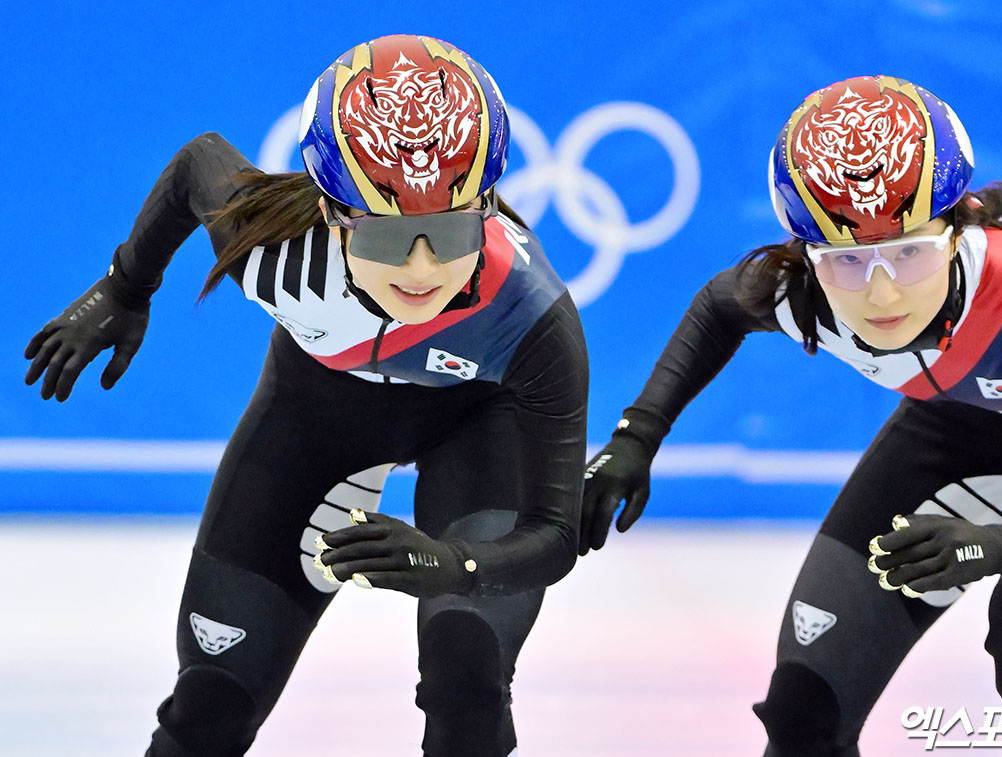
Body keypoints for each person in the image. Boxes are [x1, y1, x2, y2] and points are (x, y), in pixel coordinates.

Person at [579, 75, 1002, 756]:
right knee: (804, 709)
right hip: (973, 405)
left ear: (956, 231)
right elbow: (716, 308)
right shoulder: (800, 288)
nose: (881, 294)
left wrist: (999, 546)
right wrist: (637, 437)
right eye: (847, 261)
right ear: (809, 257)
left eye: (910, 252)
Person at [23, 34, 587, 757]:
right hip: (318, 415)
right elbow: (199, 160)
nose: (421, 270)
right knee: (210, 702)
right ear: (330, 212)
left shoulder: (533, 317)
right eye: (386, 239)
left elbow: (554, 536)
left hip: (479, 420)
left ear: (487, 210)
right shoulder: (276, 252)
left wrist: (455, 564)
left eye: (448, 232)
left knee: (466, 689)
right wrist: (127, 285)